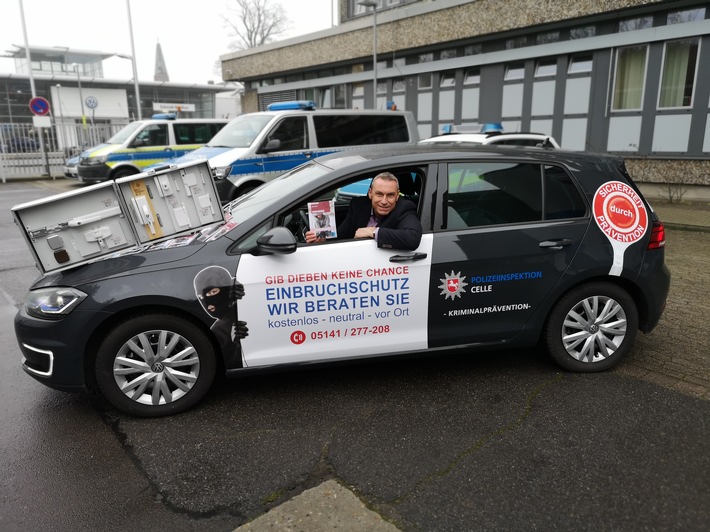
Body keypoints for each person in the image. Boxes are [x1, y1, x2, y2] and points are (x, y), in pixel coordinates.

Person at [305, 172, 422, 251]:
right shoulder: (358, 205)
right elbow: (343, 235)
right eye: (379, 194)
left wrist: (372, 232)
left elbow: (412, 238)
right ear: (370, 193)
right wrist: (323, 239)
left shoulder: (404, 208)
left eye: (390, 195)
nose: (384, 201)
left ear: (397, 196)